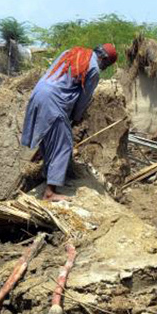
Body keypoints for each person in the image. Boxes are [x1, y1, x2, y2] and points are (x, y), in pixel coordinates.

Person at [21, 43, 118, 201]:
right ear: (103, 59)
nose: (103, 67)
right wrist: (77, 116)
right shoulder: (93, 68)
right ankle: (50, 192)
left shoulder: (71, 52)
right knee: (64, 145)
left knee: (49, 140)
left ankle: (48, 178)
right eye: (105, 65)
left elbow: (54, 75)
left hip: (39, 93)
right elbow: (83, 99)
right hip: (54, 101)